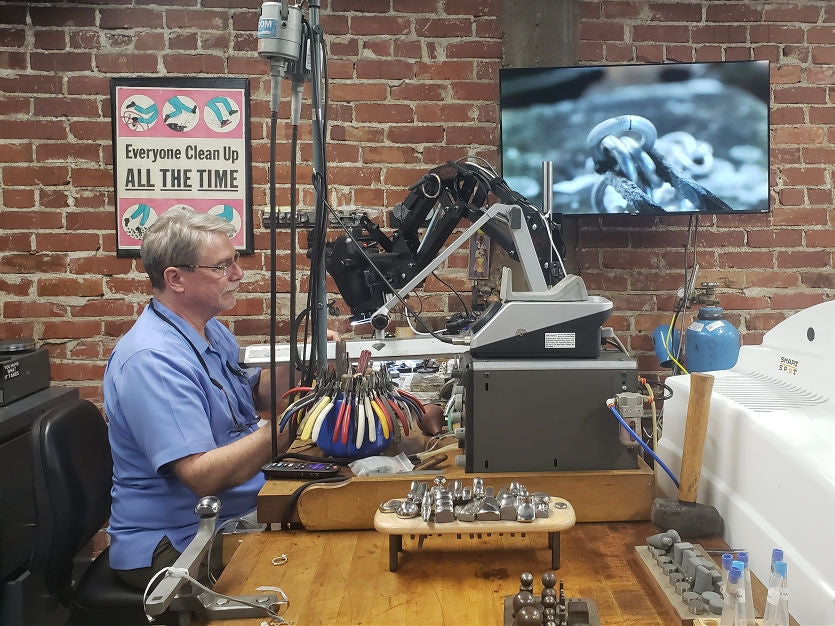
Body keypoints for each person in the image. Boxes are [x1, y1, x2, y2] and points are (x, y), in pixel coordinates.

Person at [103, 206, 335, 589]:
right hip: (179, 542)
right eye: (221, 266)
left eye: (236, 260)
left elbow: (255, 393)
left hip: (234, 513)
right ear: (175, 278)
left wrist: (306, 360)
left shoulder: (210, 331)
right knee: (320, 570)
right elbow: (202, 476)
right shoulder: (153, 360)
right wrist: (292, 421)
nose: (238, 274)